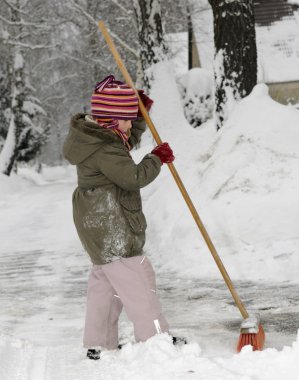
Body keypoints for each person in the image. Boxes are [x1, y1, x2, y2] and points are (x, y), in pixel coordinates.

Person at [63, 75, 180, 361]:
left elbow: (124, 144)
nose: (130, 125)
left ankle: (99, 342)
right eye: (127, 119)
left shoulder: (97, 137)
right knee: (138, 280)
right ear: (111, 121)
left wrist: (140, 115)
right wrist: (157, 159)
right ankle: (155, 340)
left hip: (96, 222)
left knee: (106, 283)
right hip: (111, 221)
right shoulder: (106, 147)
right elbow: (133, 176)